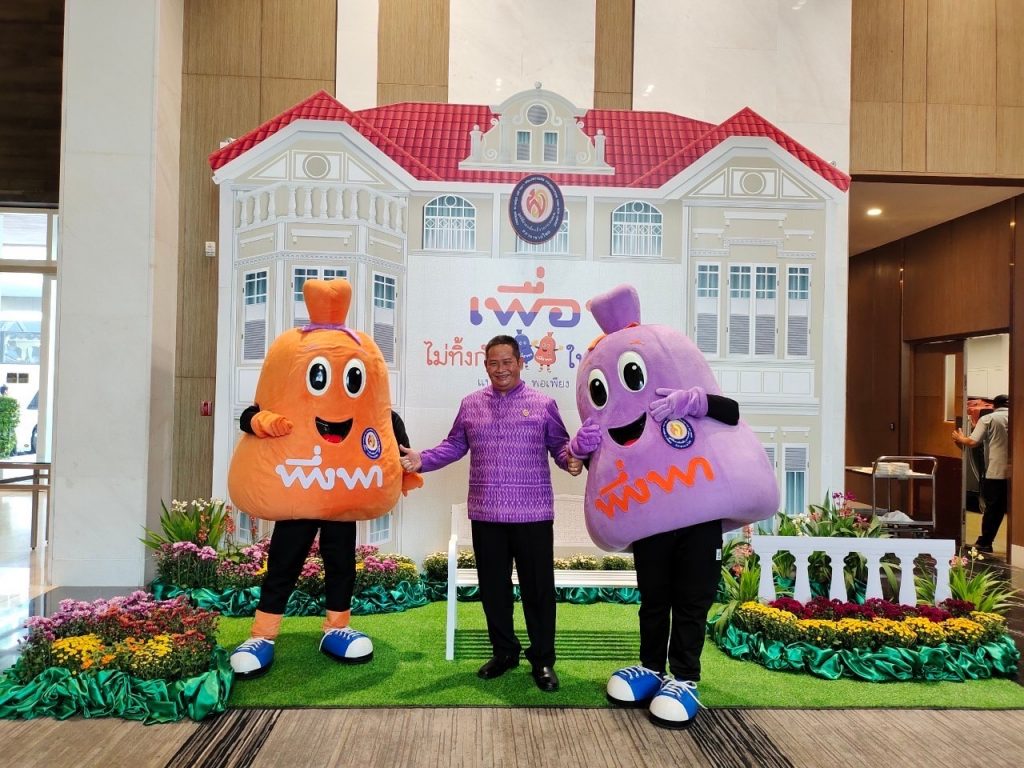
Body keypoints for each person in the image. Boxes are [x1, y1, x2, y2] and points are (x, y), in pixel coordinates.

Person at [400, 334, 582, 692]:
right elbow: (454, 445)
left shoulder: (543, 404)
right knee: (493, 590)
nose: (501, 369)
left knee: (538, 591)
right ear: (485, 366)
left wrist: (570, 461)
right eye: (494, 363)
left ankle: (543, 660)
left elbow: (561, 446)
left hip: (533, 514)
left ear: (520, 363)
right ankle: (504, 653)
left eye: (507, 362)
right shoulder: (471, 405)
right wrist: (422, 459)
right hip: (486, 513)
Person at [953, 394, 1009, 554]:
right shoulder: (1018, 418)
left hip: (996, 471)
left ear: (994, 406)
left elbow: (972, 442)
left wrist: (960, 438)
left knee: (994, 509)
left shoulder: (988, 419)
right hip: (1017, 473)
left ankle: (985, 543)